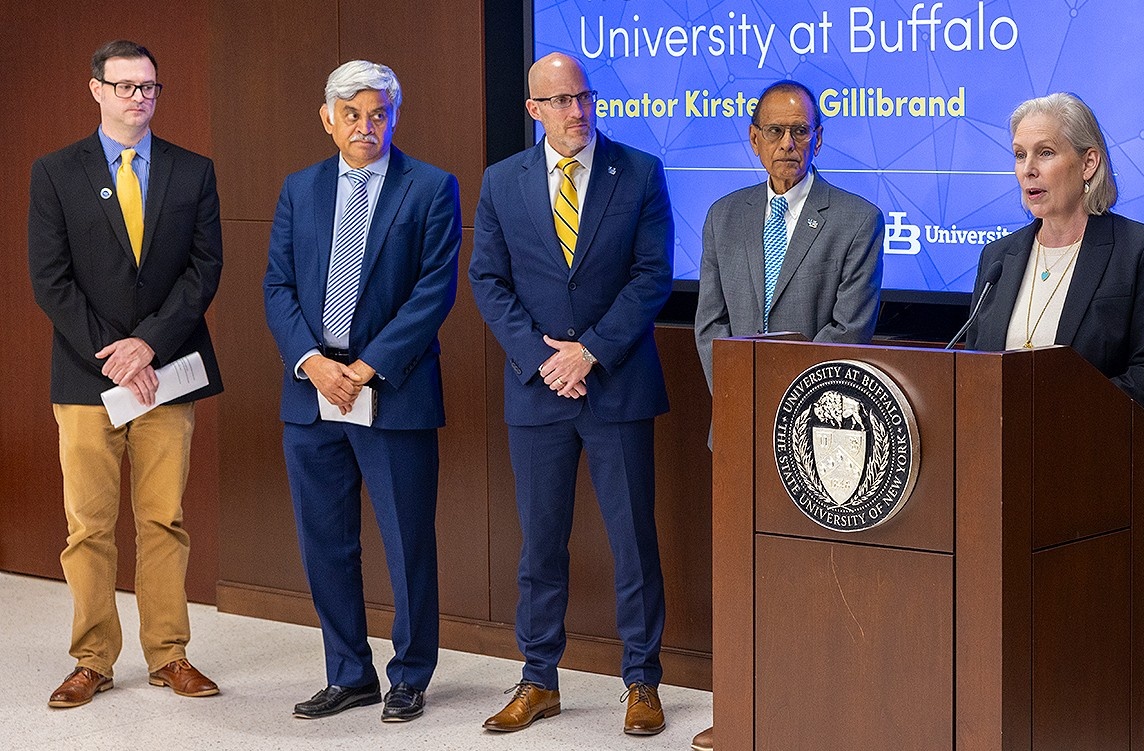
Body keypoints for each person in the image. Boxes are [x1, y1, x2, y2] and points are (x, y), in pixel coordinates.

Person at [469, 51, 673, 736]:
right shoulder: (502, 182)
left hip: (616, 383)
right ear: (533, 110)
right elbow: (487, 281)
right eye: (558, 101)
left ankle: (642, 680)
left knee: (632, 541)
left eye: (582, 97)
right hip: (537, 390)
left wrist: (589, 350)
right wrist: (543, 358)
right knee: (540, 544)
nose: (575, 111)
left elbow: (651, 276)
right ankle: (538, 678)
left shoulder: (638, 170)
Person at [262, 60, 461, 723]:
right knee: (325, 542)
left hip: (394, 391)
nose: (365, 126)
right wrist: (314, 363)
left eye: (378, 114)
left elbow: (433, 290)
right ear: (328, 119)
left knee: (407, 542)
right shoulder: (299, 189)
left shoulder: (431, 187)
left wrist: (366, 367)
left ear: (393, 116)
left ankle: (409, 674)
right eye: (352, 114)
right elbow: (278, 287)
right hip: (312, 394)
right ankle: (348, 672)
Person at [689, 78, 884, 751]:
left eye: (799, 131)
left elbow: (847, 331)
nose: (787, 143)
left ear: (819, 138)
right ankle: (742, 710)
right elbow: (709, 324)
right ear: (752, 139)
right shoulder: (723, 215)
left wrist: (785, 409)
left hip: (820, 436)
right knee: (742, 578)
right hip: (738, 431)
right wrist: (746, 404)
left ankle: (817, 713)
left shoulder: (856, 218)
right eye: (774, 131)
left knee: (814, 579)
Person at [28, 39, 223, 708]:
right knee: (88, 526)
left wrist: (148, 345)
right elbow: (50, 280)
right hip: (87, 378)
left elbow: (204, 272)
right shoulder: (54, 172)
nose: (139, 98)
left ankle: (169, 654)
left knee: (163, 519)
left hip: (167, 372)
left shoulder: (193, 171)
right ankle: (92, 659)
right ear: (96, 90)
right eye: (126, 86)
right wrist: (115, 352)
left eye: (149, 87)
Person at [965, 92, 1144, 544]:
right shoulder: (999, 257)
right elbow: (976, 364)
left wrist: (1059, 415)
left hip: (1097, 482)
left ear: (1088, 163)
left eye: (1045, 153)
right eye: (1020, 155)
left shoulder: (1140, 250)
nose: (1028, 168)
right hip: (1001, 482)